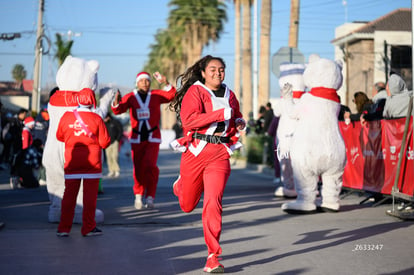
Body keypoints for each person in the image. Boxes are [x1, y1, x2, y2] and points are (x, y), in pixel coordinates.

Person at [169, 55, 246, 273]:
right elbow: (190, 120)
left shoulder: (230, 94)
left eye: (221, 69)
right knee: (187, 206)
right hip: (195, 152)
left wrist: (239, 122)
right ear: (203, 72)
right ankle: (181, 185)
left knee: (213, 202)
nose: (218, 73)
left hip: (219, 154)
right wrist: (221, 113)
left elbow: (236, 115)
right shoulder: (196, 91)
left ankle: (213, 257)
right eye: (213, 69)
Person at [111, 71, 176, 209]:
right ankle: (139, 195)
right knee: (139, 168)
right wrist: (116, 102)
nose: (145, 83)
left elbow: (172, 95)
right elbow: (118, 110)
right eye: (142, 81)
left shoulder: (156, 95)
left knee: (150, 166)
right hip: (136, 138)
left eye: (147, 80)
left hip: (152, 138)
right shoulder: (131, 97)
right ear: (137, 83)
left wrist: (166, 82)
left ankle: (150, 196)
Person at [56, 88, 111, 237]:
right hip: (92, 163)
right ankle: (88, 228)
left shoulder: (66, 117)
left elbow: (59, 136)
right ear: (93, 101)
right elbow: (105, 142)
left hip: (72, 161)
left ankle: (63, 228)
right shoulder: (97, 118)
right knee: (89, 198)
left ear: (78, 100)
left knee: (69, 196)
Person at [104, 113, 123, 178]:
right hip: (107, 143)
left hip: (115, 142)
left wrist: (118, 139)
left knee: (114, 156)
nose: (105, 119)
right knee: (109, 157)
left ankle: (116, 170)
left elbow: (120, 130)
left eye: (106, 118)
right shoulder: (104, 124)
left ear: (108, 117)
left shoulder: (115, 122)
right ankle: (111, 170)